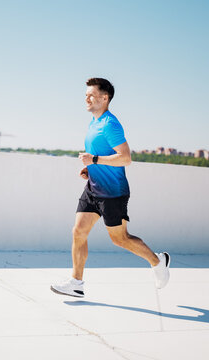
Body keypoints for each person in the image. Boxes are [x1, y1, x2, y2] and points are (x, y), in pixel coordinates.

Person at [50, 78, 171, 298]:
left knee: (120, 238)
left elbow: (125, 158)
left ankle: (158, 260)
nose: (86, 98)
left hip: (113, 193)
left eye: (91, 94)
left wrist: (94, 160)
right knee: (78, 232)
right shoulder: (94, 122)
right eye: (85, 94)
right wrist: (90, 170)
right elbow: (102, 157)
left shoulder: (110, 124)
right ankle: (76, 283)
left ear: (105, 98)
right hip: (93, 188)